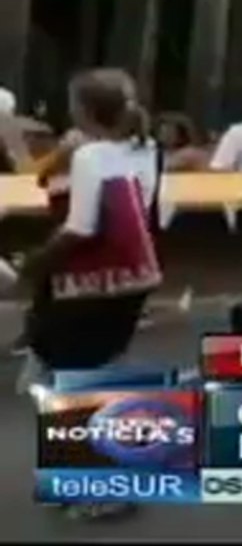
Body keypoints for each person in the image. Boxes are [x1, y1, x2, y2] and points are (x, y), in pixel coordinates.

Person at [16, 69, 162, 520]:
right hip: (132, 280)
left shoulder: (91, 156)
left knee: (80, 379)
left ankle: (106, 487)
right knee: (97, 372)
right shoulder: (148, 149)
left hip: (86, 283)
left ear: (84, 110)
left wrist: (33, 262)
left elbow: (80, 228)